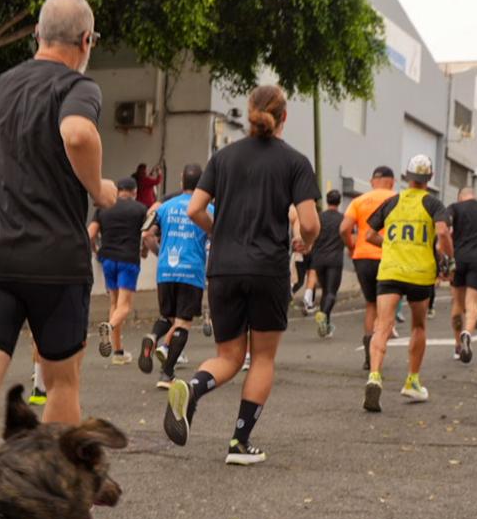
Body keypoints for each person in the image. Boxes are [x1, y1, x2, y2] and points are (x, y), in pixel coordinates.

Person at [0, 0, 115, 471]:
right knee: (61, 381)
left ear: (37, 34)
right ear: (86, 40)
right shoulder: (78, 86)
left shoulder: (0, 88)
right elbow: (77, 134)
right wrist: (98, 187)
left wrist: (20, 172)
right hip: (56, 260)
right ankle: (52, 480)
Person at [161, 84, 318, 464]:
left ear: (249, 112)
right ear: (284, 116)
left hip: (223, 269)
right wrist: (306, 242)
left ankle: (193, 387)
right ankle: (239, 443)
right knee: (261, 358)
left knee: (229, 357)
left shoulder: (223, 158)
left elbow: (196, 209)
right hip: (267, 270)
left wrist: (220, 233)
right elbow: (310, 223)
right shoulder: (295, 162)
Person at [362, 154, 451, 412]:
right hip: (420, 274)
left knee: (382, 326)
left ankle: (374, 376)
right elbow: (442, 231)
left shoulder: (392, 202)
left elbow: (368, 234)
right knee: (419, 325)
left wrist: (391, 244)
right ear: (429, 178)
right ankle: (412, 381)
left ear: (407, 177)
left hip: (390, 271)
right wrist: (448, 257)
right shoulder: (433, 203)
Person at [139, 162, 209, 386]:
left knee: (168, 318)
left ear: (181, 180)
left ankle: (153, 337)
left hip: (166, 270)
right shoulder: (208, 209)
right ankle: (167, 373)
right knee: (183, 323)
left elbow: (146, 234)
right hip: (191, 270)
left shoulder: (164, 207)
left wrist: (160, 253)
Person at [89, 176, 146, 363]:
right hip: (128, 260)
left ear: (118, 190)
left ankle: (118, 352)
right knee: (125, 306)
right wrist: (145, 251)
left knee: (114, 304)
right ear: (134, 191)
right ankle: (109, 326)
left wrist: (96, 250)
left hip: (108, 260)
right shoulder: (140, 209)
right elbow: (146, 234)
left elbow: (91, 234)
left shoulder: (103, 208)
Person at [340, 166, 396, 346]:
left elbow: (344, 229)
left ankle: (368, 346)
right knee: (386, 306)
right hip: (388, 257)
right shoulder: (398, 199)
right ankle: (378, 348)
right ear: (392, 182)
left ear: (372, 182)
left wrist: (351, 246)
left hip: (362, 257)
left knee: (371, 304)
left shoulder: (358, 201)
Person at [445, 186, 477, 362]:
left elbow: (445, 228)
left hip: (458, 257)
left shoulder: (454, 208)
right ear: (475, 195)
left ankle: (458, 346)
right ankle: (467, 333)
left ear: (460, 197)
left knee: (457, 303)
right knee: (472, 302)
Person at [309, 190, 346, 337]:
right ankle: (323, 314)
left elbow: (312, 234)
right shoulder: (343, 219)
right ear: (339, 201)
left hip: (319, 258)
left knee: (325, 291)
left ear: (327, 200)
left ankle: (326, 326)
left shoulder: (319, 217)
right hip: (335, 259)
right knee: (331, 292)